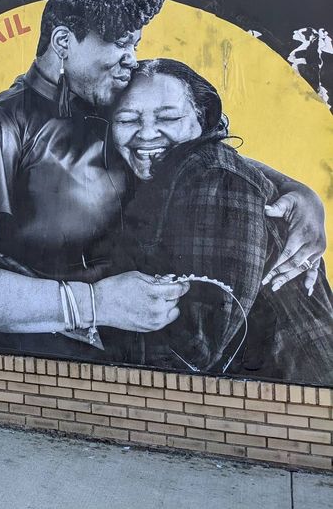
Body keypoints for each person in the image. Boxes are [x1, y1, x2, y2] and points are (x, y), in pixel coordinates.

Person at [0, 0, 326, 359]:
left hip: (107, 365)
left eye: (135, 44)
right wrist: (95, 302)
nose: (130, 61)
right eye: (120, 44)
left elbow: (195, 156)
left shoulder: (113, 109)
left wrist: (298, 195)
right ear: (64, 41)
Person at [103, 59, 333, 382]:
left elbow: (193, 350)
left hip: (297, 407)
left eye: (168, 117)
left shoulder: (213, 178)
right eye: (127, 119)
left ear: (203, 119)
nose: (147, 133)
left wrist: (76, 313)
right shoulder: (173, 175)